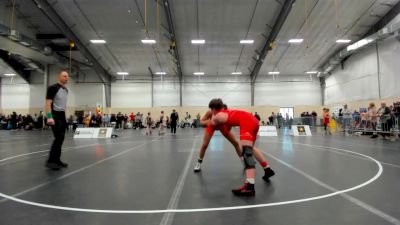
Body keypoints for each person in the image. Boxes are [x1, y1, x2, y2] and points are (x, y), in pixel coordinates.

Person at [205, 99, 275, 196]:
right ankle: (267, 169)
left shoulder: (218, 116)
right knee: (251, 149)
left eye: (211, 109)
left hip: (247, 122)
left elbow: (210, 124)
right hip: (254, 121)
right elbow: (228, 126)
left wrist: (210, 115)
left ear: (213, 109)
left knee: (247, 152)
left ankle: (250, 187)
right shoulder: (227, 112)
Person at [45, 70, 69, 170]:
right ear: (59, 77)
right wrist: (49, 116)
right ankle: (51, 161)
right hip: (54, 114)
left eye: (67, 76)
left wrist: (65, 117)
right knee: (58, 137)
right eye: (64, 76)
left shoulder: (66, 90)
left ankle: (57, 160)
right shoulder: (52, 88)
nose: (66, 78)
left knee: (61, 138)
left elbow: (62, 105)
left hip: (62, 115)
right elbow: (48, 104)